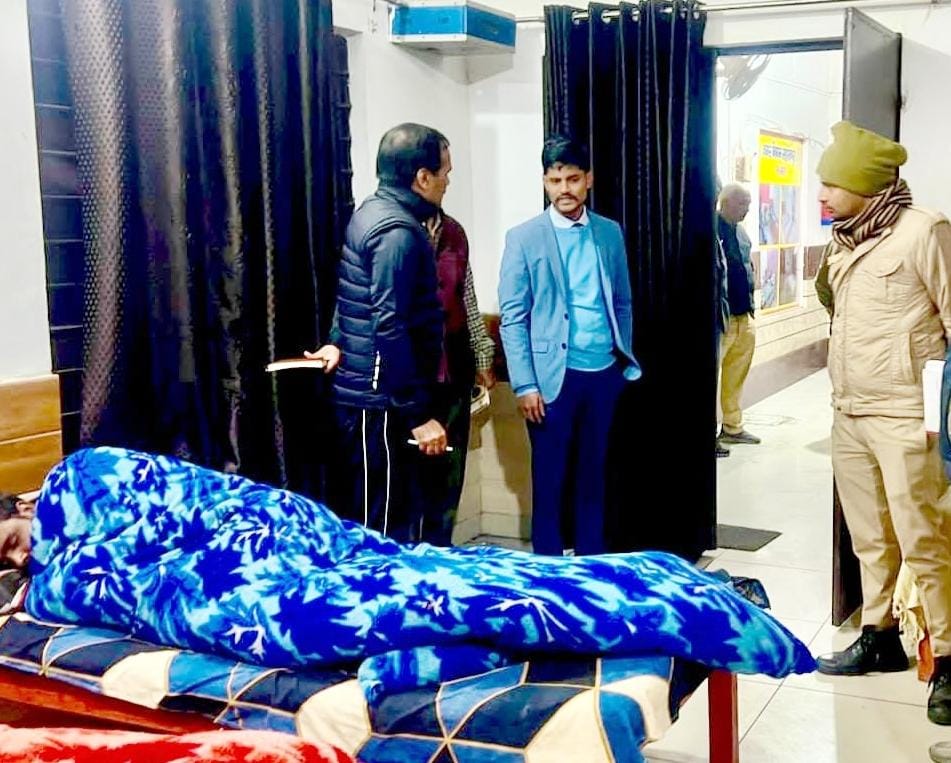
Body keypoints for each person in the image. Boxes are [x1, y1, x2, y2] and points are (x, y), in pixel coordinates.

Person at [811, 121, 951, 726]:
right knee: (870, 538)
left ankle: (947, 658)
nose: (820, 194)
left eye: (829, 184)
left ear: (864, 185)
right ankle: (879, 636)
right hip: (848, 409)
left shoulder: (924, 231)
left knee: (925, 539)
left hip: (905, 414)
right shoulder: (844, 237)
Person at [305, 123, 449, 543]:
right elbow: (389, 323)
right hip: (381, 402)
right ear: (423, 177)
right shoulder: (397, 233)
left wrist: (336, 340)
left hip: (374, 396)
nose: (447, 182)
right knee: (384, 524)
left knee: (379, 515)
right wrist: (418, 415)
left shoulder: (371, 211)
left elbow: (355, 294)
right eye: (445, 173)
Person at [498, 135, 640, 556]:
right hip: (549, 383)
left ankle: (591, 565)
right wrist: (525, 384)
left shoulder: (609, 233)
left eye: (573, 179)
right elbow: (513, 318)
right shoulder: (524, 238)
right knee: (550, 481)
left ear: (588, 180)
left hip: (603, 375)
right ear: (545, 181)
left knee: (593, 478)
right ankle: (547, 570)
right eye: (555, 180)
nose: (564, 189)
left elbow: (622, 301)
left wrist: (621, 359)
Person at [418, 208, 496, 544]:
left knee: (449, 482)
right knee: (413, 486)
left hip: (454, 372)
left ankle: (441, 553)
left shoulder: (454, 231)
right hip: (412, 376)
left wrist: (483, 355)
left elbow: (467, 298)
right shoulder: (395, 228)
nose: (446, 183)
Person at [716, 184, 761, 448]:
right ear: (726, 203)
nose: (747, 210)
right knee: (711, 379)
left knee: (736, 377)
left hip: (744, 316)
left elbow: (747, 269)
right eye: (743, 203)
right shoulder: (711, 229)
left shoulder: (742, 233)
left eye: (749, 204)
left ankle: (732, 427)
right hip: (722, 319)